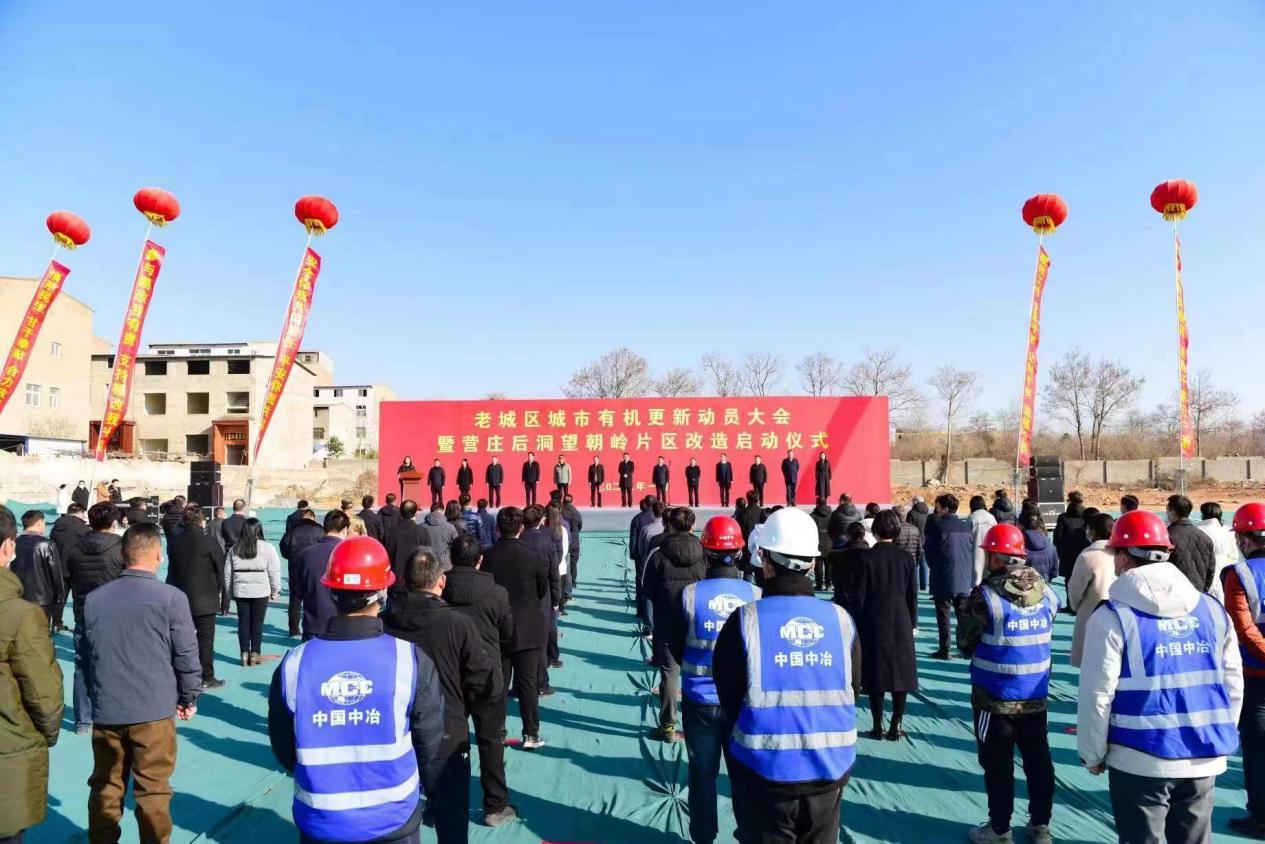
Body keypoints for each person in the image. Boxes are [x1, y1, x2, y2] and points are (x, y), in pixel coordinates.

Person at [1078, 509, 1242, 844]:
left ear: (1123, 558)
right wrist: (1218, 730)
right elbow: (1233, 683)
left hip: (1139, 758)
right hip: (1203, 755)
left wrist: (1092, 753)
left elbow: (1097, 694)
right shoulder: (1213, 610)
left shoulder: (1111, 618)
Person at [268, 535, 444, 844]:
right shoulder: (409, 660)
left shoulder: (294, 664)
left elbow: (285, 749)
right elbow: (429, 744)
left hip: (321, 821)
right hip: (393, 819)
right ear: (382, 592)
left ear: (331, 592)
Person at [713, 507, 861, 844]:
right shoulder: (841, 620)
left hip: (765, 770)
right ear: (812, 563)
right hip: (830, 769)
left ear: (765, 561)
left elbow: (729, 695)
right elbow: (854, 686)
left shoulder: (745, 620)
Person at [84, 521, 202, 843]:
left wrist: (89, 704)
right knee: (153, 791)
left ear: (124, 555)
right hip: (153, 712)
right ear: (158, 555)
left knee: (106, 787)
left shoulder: (94, 599)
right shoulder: (171, 598)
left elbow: (85, 657)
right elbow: (186, 653)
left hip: (108, 710)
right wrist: (189, 696)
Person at [383, 548, 496, 842]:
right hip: (447, 732)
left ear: (405, 580)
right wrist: (464, 707)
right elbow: (482, 680)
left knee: (393, 821)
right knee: (452, 823)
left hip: (395, 732)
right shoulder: (458, 624)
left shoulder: (384, 623)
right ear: (441, 582)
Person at [958, 523, 1058, 844]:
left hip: (995, 698)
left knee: (997, 765)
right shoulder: (1047, 593)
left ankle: (1000, 829)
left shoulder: (984, 596)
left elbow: (965, 644)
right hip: (1035, 695)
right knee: (1038, 761)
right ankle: (1040, 825)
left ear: (996, 558)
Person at [671, 516, 760, 844]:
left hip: (700, 702)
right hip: (743, 705)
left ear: (705, 552)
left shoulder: (689, 595)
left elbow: (675, 644)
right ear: (739, 552)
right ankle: (747, 833)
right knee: (744, 777)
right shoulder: (757, 595)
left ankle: (703, 836)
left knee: (702, 775)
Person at [443, 533, 516, 826]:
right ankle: (495, 806)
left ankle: (442, 803)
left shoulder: (441, 590)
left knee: (448, 742)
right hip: (486, 675)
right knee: (491, 741)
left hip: (450, 675)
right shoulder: (497, 593)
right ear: (480, 560)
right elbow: (508, 633)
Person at [0, 505, 62, 844]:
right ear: (7, 547)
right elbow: (44, 694)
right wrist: (45, 734)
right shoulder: (21, 616)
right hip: (9, 746)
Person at [480, 507, 549, 749]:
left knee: (498, 684)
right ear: (521, 528)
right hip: (527, 626)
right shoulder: (533, 556)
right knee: (527, 684)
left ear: (498, 527)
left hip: (497, 626)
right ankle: (531, 733)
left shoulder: (487, 557)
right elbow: (542, 589)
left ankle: (498, 732)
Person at [854, 510, 918, 743]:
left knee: (875, 672)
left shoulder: (865, 558)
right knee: (901, 672)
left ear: (875, 531)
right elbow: (912, 594)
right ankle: (896, 725)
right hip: (901, 618)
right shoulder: (906, 558)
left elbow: (859, 596)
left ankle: (877, 725)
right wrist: (913, 622)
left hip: (873, 620)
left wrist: (857, 622)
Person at [646, 507, 707, 742]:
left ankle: (668, 726)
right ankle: (698, 725)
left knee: (670, 674)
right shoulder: (704, 552)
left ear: (670, 525)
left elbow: (648, 589)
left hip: (668, 621)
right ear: (693, 526)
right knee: (700, 671)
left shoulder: (658, 553)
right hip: (698, 620)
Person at [65, 502, 126, 733]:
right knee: (118, 665)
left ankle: (83, 720)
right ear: (114, 523)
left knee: (83, 666)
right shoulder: (121, 548)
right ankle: (112, 716)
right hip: (115, 615)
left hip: (84, 611)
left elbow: (71, 577)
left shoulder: (75, 549)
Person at [1225, 502, 1265, 838]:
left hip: (1255, 677)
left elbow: (1243, 628)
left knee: (1257, 751)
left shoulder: (1240, 575)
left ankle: (1261, 817)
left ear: (1245, 539)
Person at [166, 505, 228, 690]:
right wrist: (218, 590)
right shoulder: (209, 542)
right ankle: (206, 676)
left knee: (181, 639)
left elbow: (171, 572)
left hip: (179, 598)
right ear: (202, 521)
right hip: (205, 598)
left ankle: (181, 676)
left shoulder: (175, 542)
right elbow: (220, 569)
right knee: (205, 640)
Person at [925, 493, 976, 660]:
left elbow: (929, 552)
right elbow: (970, 551)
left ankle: (945, 649)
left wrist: (936, 567)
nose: (936, 511)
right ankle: (966, 648)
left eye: (938, 508)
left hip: (942, 575)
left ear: (945, 509)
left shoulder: (937, 527)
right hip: (963, 576)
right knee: (963, 615)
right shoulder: (966, 526)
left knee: (943, 614)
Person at [226, 517, 281, 667]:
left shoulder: (234, 548)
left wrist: (229, 591)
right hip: (260, 591)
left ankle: (244, 653)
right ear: (259, 530)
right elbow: (274, 571)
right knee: (257, 623)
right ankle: (255, 653)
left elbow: (228, 573)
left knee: (243, 622)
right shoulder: (268, 547)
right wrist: (275, 590)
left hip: (241, 590)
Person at [1066, 512, 1116, 668]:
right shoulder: (1121, 553)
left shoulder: (1088, 556)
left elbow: (1075, 589)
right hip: (1119, 612)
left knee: (1091, 661)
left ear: (1093, 532)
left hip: (1091, 612)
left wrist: (1076, 607)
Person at [294, 510, 350, 640]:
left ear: (324, 528)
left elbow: (299, 589)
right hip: (342, 626)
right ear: (345, 530)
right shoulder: (348, 554)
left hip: (313, 623)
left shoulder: (305, 554)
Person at [522, 506, 562, 687]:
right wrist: (555, 599)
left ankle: (522, 683)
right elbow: (554, 573)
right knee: (542, 636)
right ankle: (541, 681)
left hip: (520, 594)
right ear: (540, 520)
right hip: (542, 594)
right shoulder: (546, 541)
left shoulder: (519, 539)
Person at [13, 510, 64, 635]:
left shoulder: (14, 543)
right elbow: (56, 575)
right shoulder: (47, 544)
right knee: (40, 636)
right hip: (42, 600)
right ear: (39, 522)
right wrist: (59, 597)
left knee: (20, 634)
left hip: (18, 597)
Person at [282, 509, 324, 637]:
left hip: (295, 567)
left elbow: (283, 548)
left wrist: (291, 557)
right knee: (312, 599)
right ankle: (310, 628)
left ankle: (293, 629)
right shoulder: (320, 531)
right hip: (313, 569)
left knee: (295, 600)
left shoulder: (292, 531)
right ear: (313, 518)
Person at [49, 502, 89, 632]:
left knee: (59, 598)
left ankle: (56, 624)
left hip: (58, 566)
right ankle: (79, 626)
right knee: (79, 599)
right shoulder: (82, 528)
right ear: (80, 513)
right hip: (77, 567)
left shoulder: (57, 526)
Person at [1164, 494, 1216, 593]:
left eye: (1167, 511)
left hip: (1174, 593)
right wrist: (1204, 591)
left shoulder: (1166, 536)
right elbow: (1211, 570)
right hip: (1198, 593)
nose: (1166, 514)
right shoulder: (1204, 537)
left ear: (1173, 513)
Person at [1198, 501, 1241, 601]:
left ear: (1203, 514)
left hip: (1203, 568)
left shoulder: (1197, 530)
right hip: (1225, 567)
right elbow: (1234, 556)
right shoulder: (1228, 531)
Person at [829, 521, 870, 617]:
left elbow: (830, 560)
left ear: (848, 535)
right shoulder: (871, 554)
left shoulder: (837, 552)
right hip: (864, 597)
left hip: (843, 595)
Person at [1052, 491, 1088, 583]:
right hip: (1084, 552)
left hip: (1068, 554)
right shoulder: (1087, 516)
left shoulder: (1063, 517)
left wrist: (1059, 552)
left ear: (1070, 501)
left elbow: (1057, 537)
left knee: (1069, 580)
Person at [894, 504, 927, 595]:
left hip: (898, 564)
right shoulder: (915, 529)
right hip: (912, 562)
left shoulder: (894, 530)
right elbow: (919, 549)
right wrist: (916, 562)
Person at [1020, 513, 1058, 585]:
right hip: (1044, 584)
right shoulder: (1051, 547)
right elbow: (1054, 572)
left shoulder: (1019, 548)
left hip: (1024, 586)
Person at [968, 495, 998, 584]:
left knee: (976, 574)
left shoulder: (972, 518)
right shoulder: (991, 517)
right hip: (990, 550)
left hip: (976, 549)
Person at [423, 503, 457, 571]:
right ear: (443, 511)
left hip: (426, 564)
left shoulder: (421, 527)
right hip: (445, 565)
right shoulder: (450, 527)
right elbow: (457, 546)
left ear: (431, 511)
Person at [809, 497, 833, 592]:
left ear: (817, 504)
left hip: (817, 543)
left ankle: (819, 585)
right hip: (830, 542)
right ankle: (828, 584)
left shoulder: (812, 516)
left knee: (818, 565)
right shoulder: (832, 515)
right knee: (829, 565)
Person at [561, 494, 583, 586]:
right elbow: (580, 525)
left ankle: (565, 583)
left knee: (564, 561)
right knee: (573, 562)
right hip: (575, 540)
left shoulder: (561, 512)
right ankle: (573, 581)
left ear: (563, 501)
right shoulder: (576, 512)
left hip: (564, 540)